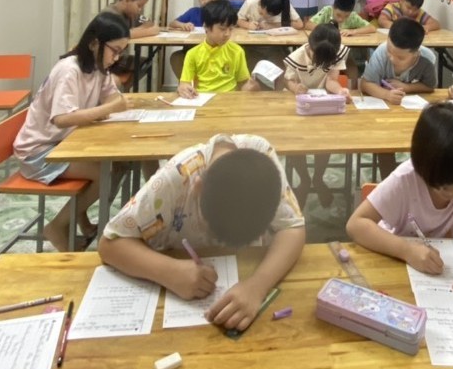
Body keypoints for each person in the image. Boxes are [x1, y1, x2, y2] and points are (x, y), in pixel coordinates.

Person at [98, 134, 306, 331]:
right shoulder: (176, 177)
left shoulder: (261, 161)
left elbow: (292, 227)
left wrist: (257, 286)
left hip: (243, 271)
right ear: (198, 187)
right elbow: (109, 243)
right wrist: (170, 272)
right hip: (175, 293)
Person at [346, 103, 453, 303]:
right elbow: (356, 224)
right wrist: (406, 250)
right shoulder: (405, 180)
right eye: (445, 188)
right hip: (399, 271)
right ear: (421, 166)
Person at [14, 11, 132, 251]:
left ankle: (83, 221)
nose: (117, 58)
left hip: (64, 143)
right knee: (104, 173)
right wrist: (108, 108)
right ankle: (57, 227)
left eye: (121, 51)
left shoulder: (99, 68)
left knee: (119, 162)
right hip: (39, 152)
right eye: (115, 50)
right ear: (95, 44)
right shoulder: (69, 70)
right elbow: (62, 119)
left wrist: (115, 103)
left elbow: (111, 97)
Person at [283, 23, 351, 209]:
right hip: (299, 102)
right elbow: (288, 80)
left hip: (322, 101)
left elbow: (331, 80)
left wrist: (341, 91)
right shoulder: (297, 57)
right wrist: (295, 87)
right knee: (297, 141)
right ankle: (304, 179)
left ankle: (318, 177)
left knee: (325, 140)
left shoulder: (335, 52)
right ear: (310, 45)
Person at [360, 18, 440, 175]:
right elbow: (365, 83)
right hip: (382, 113)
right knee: (385, 142)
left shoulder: (427, 59)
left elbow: (430, 86)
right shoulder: (381, 52)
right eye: (390, 51)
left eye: (400, 58)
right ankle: (390, 178)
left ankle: (420, 177)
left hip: (410, 113)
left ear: (416, 53)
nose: (392, 58)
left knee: (427, 138)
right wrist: (386, 94)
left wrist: (407, 87)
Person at [179, 0, 260, 98]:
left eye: (231, 29)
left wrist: (252, 86)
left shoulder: (236, 51)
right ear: (206, 27)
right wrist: (183, 88)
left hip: (229, 100)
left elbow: (243, 83)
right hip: (202, 99)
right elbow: (184, 84)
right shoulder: (193, 54)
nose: (227, 34)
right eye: (222, 29)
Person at [170, 0, 219, 78]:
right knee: (176, 57)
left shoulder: (221, 12)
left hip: (215, 52)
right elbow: (172, 23)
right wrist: (183, 25)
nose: (206, 1)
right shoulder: (194, 12)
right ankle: (187, 83)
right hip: (192, 50)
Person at [309, 0, 375, 37]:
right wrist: (327, 31)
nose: (341, 19)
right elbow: (308, 24)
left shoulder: (353, 16)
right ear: (333, 7)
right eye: (338, 15)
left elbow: (372, 28)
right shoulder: (327, 11)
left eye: (346, 16)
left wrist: (353, 32)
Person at [237, 0, 306, 31]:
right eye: (261, 13)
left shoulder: (283, 4)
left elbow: (299, 24)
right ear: (259, 2)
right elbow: (238, 20)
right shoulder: (250, 3)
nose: (265, 17)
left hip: (278, 43)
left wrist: (272, 25)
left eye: (270, 16)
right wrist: (248, 25)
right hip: (253, 42)